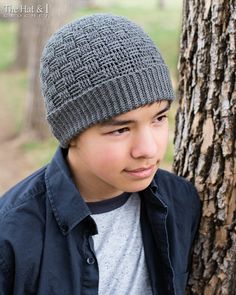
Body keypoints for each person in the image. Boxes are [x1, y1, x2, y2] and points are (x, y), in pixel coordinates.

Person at [0, 13, 201, 295]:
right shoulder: (11, 234)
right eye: (120, 130)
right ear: (72, 134)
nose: (149, 149)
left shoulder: (182, 203)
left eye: (159, 118)